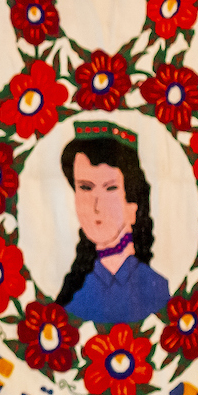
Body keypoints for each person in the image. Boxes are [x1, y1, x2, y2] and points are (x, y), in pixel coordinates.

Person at [56, 121, 169, 328]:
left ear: (133, 205)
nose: (96, 205)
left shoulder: (157, 290)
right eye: (85, 188)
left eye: (110, 189)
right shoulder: (74, 292)